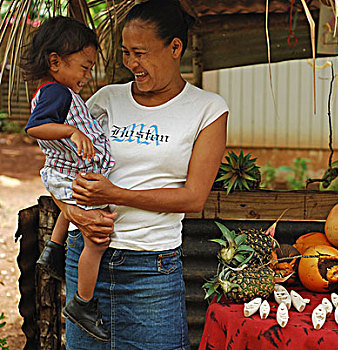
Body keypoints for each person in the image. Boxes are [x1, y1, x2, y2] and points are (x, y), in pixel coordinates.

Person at [52, 0, 229, 348]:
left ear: (175, 47)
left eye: (140, 53)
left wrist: (113, 194)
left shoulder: (207, 109)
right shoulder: (106, 99)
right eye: (125, 53)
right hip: (87, 260)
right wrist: (74, 214)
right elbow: (59, 168)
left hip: (152, 271)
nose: (131, 63)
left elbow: (193, 197)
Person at [22, 16, 115, 342]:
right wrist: (71, 130)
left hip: (65, 172)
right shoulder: (56, 93)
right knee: (96, 237)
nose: (88, 76)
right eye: (84, 67)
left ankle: (53, 250)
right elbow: (35, 127)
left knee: (71, 211)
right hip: (67, 173)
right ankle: (83, 304)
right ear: (55, 61)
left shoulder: (58, 92)